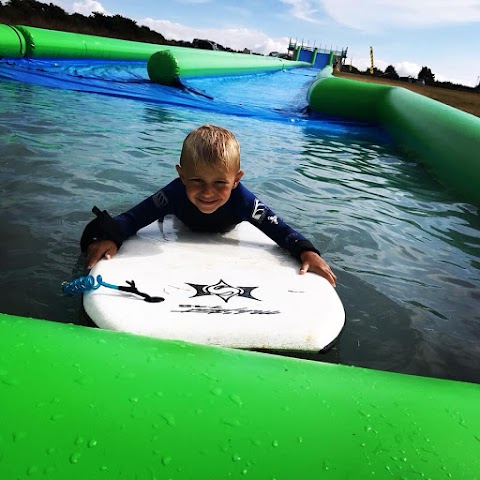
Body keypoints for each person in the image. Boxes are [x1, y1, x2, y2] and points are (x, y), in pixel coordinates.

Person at [81, 124, 337, 286]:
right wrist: (112, 237)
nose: (207, 192)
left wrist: (307, 252)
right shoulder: (173, 193)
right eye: (196, 181)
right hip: (184, 225)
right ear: (181, 176)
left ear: (236, 180)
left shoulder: (244, 202)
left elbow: (281, 230)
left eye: (219, 183)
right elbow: (134, 218)